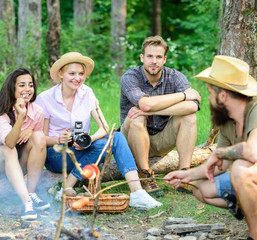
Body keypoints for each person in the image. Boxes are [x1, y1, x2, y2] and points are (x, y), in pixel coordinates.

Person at [164, 55, 257, 240]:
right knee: (199, 186)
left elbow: (254, 152)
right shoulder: (229, 122)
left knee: (242, 169)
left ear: (223, 95)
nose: (209, 98)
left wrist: (221, 152)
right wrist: (187, 175)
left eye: (211, 93)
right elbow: (222, 166)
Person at [35, 52, 162, 209]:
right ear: (61, 74)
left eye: (81, 74)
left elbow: (104, 127)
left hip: (82, 150)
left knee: (116, 137)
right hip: (56, 154)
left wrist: (91, 139)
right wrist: (58, 139)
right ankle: (66, 187)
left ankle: (137, 193)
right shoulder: (45, 98)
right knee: (104, 145)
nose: (78, 78)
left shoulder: (86, 93)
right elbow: (40, 139)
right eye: (72, 73)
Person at [120, 35, 201, 196]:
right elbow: (144, 105)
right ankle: (146, 175)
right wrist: (184, 95)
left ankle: (183, 176)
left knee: (189, 116)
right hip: (132, 138)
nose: (154, 61)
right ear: (142, 57)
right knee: (137, 117)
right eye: (150, 56)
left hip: (162, 137)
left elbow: (193, 106)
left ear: (164, 59)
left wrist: (153, 110)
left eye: (158, 57)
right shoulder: (130, 77)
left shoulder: (175, 76)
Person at [0, 68, 50, 221]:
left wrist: (31, 131)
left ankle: (31, 192)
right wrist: (21, 118)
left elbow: (38, 145)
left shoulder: (38, 111)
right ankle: (26, 204)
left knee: (39, 136)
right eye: (22, 85)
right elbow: (11, 143)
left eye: (30, 85)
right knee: (8, 150)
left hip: (18, 162)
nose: (27, 89)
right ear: (12, 88)